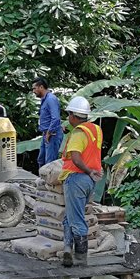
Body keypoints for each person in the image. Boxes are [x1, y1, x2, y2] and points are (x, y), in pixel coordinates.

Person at [59, 96, 103, 267]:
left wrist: (87, 170)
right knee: (69, 217)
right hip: (89, 181)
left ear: (73, 115)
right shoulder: (95, 130)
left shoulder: (78, 134)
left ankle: (80, 259)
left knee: (76, 219)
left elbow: (76, 158)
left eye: (69, 114)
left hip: (76, 178)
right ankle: (67, 250)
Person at [33, 78, 62, 168]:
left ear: (41, 87)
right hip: (46, 133)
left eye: (34, 88)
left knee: (50, 164)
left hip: (52, 134)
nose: (33, 91)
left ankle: (48, 182)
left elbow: (56, 118)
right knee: (41, 160)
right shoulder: (44, 99)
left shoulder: (50, 99)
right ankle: (42, 180)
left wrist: (49, 132)